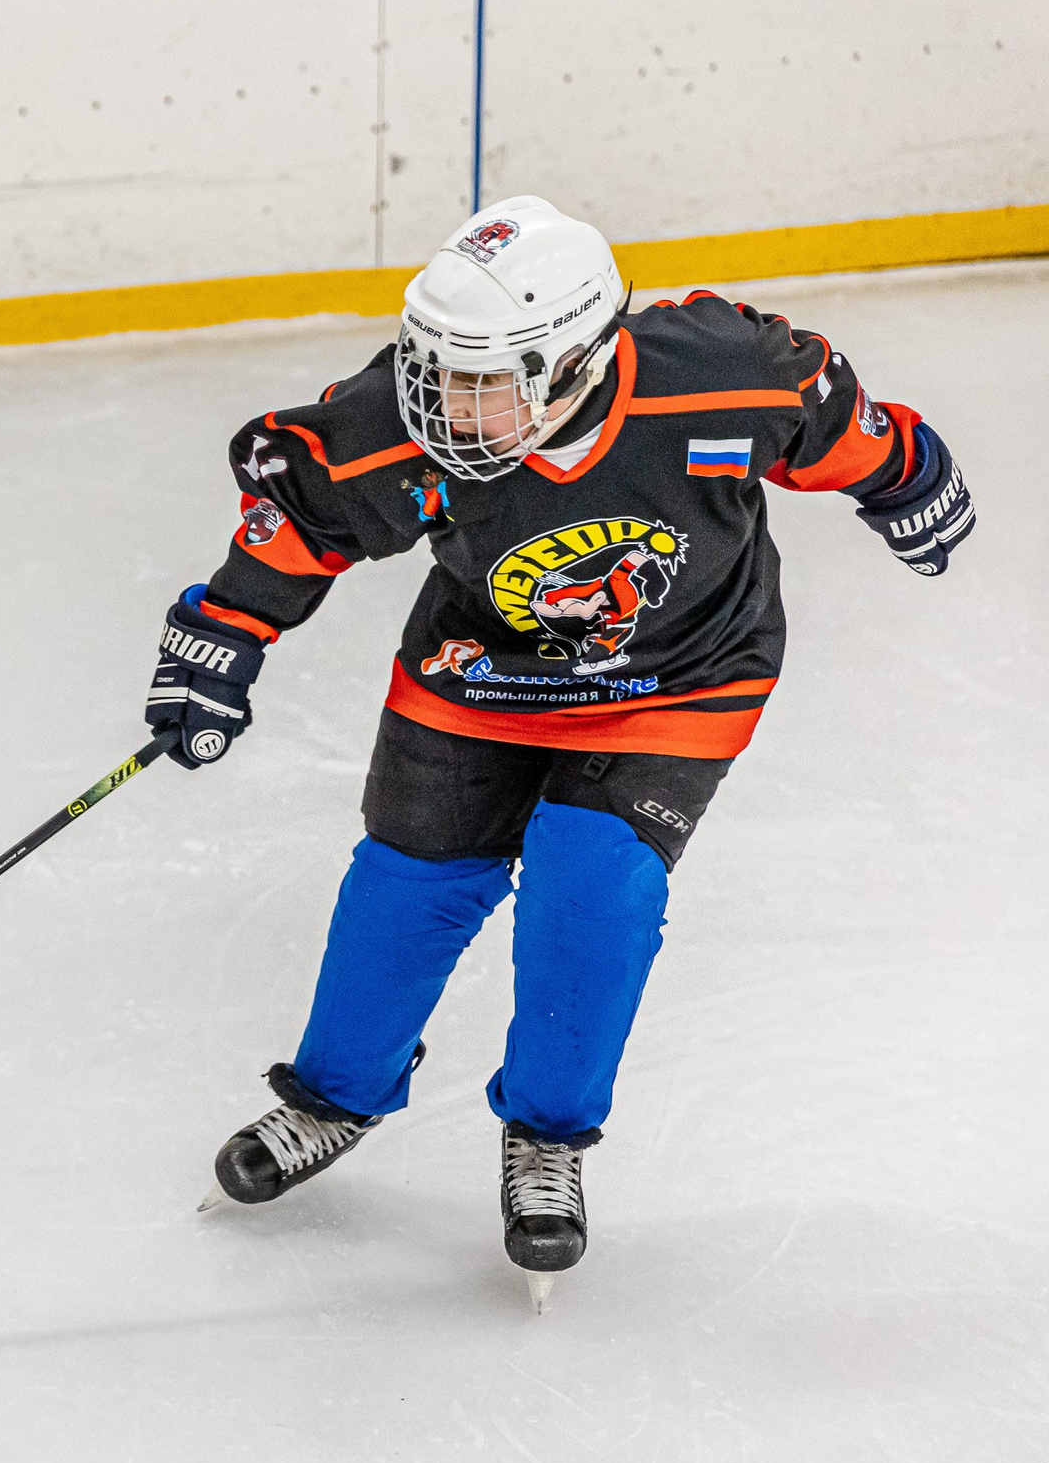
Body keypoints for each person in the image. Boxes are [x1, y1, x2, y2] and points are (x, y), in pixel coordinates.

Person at [143, 196, 975, 1304]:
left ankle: (547, 1137)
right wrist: (218, 635)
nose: (445, 403)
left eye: (484, 378)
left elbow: (836, 423)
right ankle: (334, 1097)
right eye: (435, 367)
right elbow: (301, 521)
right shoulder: (397, 425)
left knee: (594, 889)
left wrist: (908, 479)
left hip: (679, 684)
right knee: (405, 887)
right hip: (475, 680)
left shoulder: (719, 377)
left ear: (576, 359)